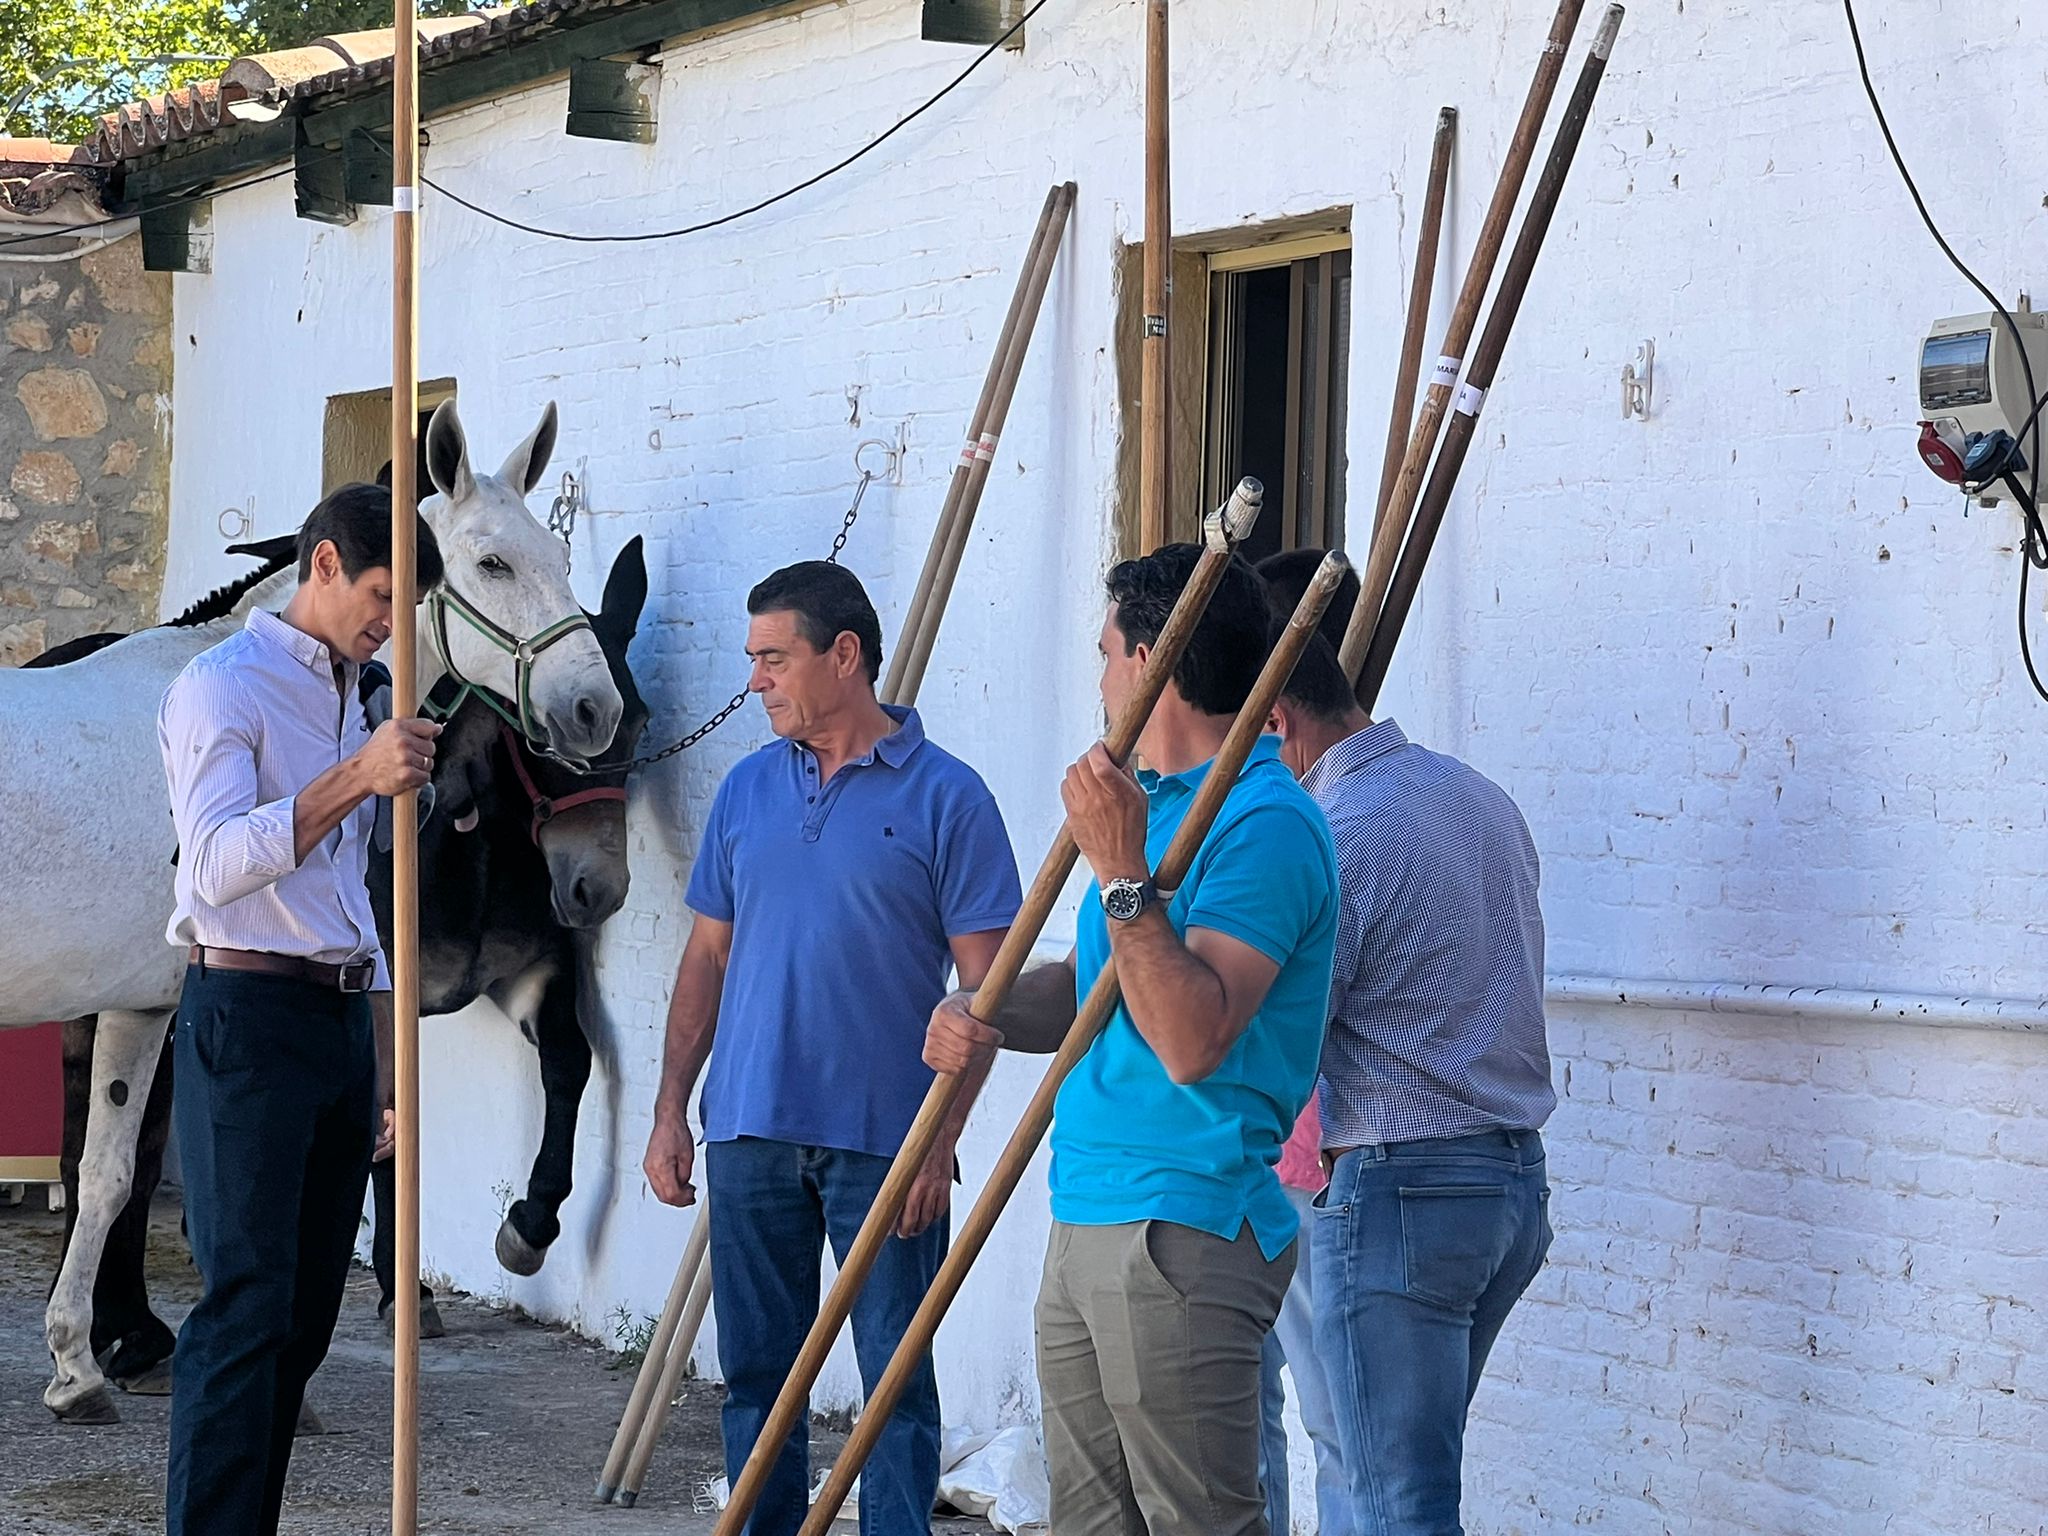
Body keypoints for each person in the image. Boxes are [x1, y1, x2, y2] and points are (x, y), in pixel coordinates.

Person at [925, 545, 1340, 1536]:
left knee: (1196, 1523)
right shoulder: (1144, 808)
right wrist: (979, 1006)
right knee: (1090, 1525)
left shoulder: (1265, 823)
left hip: (1186, 1221)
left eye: (1108, 653)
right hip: (1086, 1207)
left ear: (1153, 662)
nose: (1100, 678)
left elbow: (1189, 1037)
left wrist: (1120, 874)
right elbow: (1088, 992)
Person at [642, 560, 1022, 1536]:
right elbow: (706, 959)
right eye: (753, 660)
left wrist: (939, 1141)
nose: (756, 681)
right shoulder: (745, 791)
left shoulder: (950, 798)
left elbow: (986, 996)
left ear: (843, 655)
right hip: (747, 1132)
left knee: (895, 1381)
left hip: (887, 1144)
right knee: (756, 1382)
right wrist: (669, 1111)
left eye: (774, 659)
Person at [159, 483, 444, 1536]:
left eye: (401, 606)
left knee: (303, 1321)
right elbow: (217, 865)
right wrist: (354, 779)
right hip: (245, 1014)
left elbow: (351, 905)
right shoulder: (218, 687)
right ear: (322, 565)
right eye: (378, 594)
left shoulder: (357, 693)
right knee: (243, 1310)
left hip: (334, 1025)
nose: (387, 621)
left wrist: (385, 1062)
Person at [1261, 551, 1556, 1536]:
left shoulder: (1333, 835)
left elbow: (1281, 1049)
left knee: (1389, 1496)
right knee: (1370, 1467)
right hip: (1507, 1187)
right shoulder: (1476, 797)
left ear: (1273, 723)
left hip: (1397, 1191)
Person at [1252, 552, 1357, 1536]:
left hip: (1308, 1164)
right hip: (1268, 1158)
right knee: (1264, 1416)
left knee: (1332, 1419)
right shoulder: (1307, 802)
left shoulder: (1315, 820)